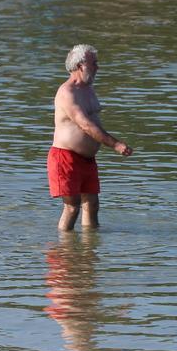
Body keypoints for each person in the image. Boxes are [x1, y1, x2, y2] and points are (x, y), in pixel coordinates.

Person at [48, 44, 133, 231]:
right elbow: (85, 125)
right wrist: (116, 144)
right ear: (80, 66)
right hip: (65, 157)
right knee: (72, 207)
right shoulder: (67, 92)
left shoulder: (88, 89)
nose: (97, 67)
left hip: (87, 159)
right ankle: (65, 250)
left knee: (92, 205)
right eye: (93, 63)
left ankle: (89, 252)